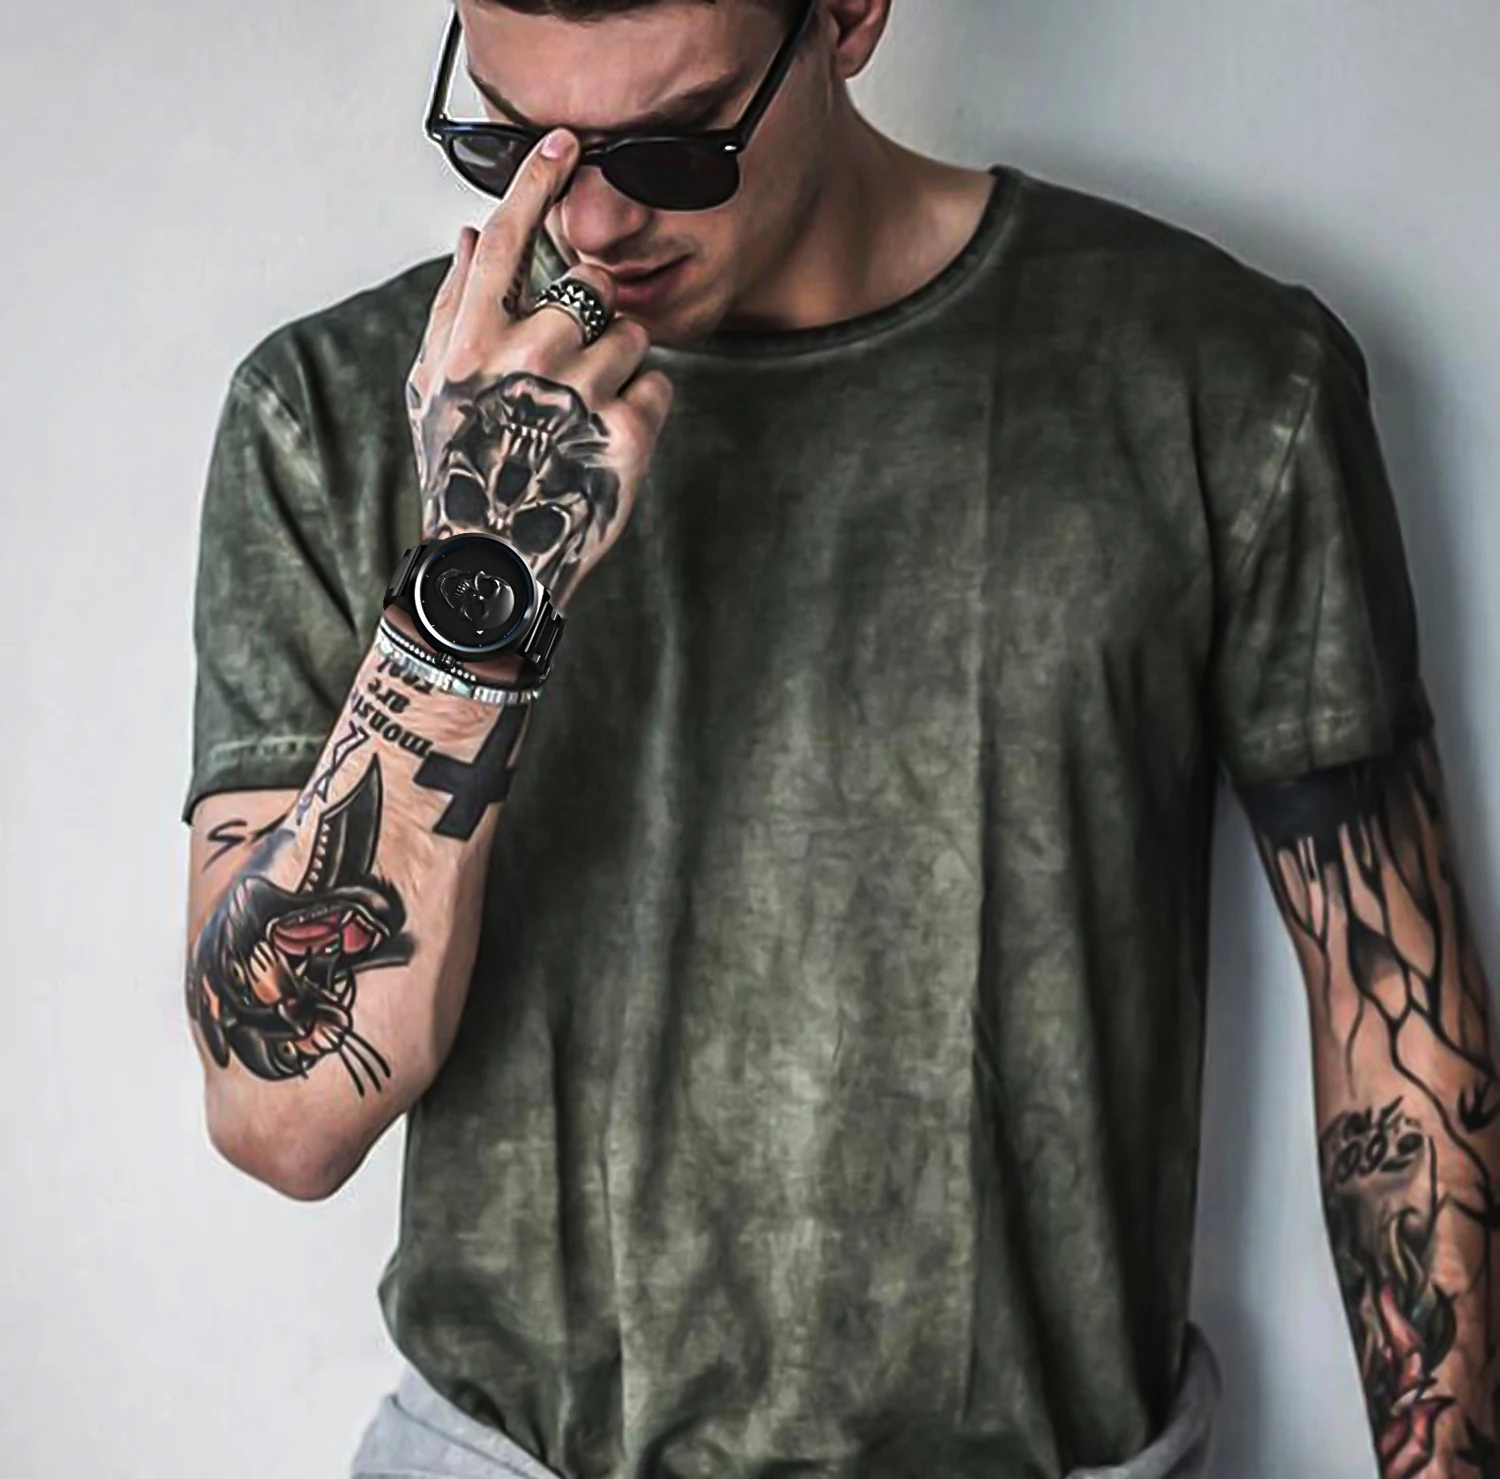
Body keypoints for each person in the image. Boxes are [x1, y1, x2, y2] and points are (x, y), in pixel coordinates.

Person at [179, 0, 1500, 1475]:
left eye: (676, 141)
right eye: (517, 138)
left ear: (851, 16)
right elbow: (282, 1118)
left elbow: (1394, 1020)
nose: (593, 221)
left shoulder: (1217, 375)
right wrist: (480, 585)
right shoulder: (337, 409)